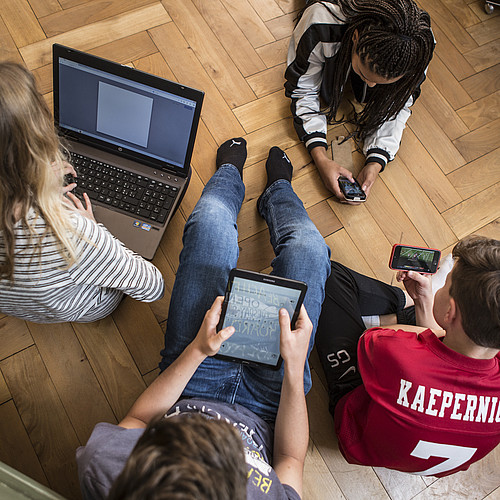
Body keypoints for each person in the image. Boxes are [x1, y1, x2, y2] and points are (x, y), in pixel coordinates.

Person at [76, 138, 331, 499]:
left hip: (192, 380)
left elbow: (138, 421)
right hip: (272, 404)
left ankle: (229, 173)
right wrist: (292, 369)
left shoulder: (107, 470)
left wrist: (197, 350)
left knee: (210, 222)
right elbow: (289, 458)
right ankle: (279, 190)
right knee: (310, 250)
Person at [315, 236, 500, 476]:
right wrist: (425, 300)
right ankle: (412, 308)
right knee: (438, 322)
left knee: (329, 277)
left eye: (445, 285)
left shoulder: (397, 349)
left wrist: (424, 307)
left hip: (354, 431)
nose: (440, 288)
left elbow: (370, 339)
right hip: (412, 453)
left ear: (450, 312)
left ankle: (400, 307)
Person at [0, 62, 164, 323]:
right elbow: (153, 286)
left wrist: (41, 183)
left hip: (33, 306)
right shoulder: (72, 235)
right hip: (87, 306)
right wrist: (94, 230)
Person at [285, 0, 435, 201]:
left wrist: (376, 161)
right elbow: (303, 89)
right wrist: (319, 157)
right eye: (365, 75)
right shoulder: (321, 20)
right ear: (354, 37)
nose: (372, 86)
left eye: (384, 82)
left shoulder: (417, 46)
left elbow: (400, 103)